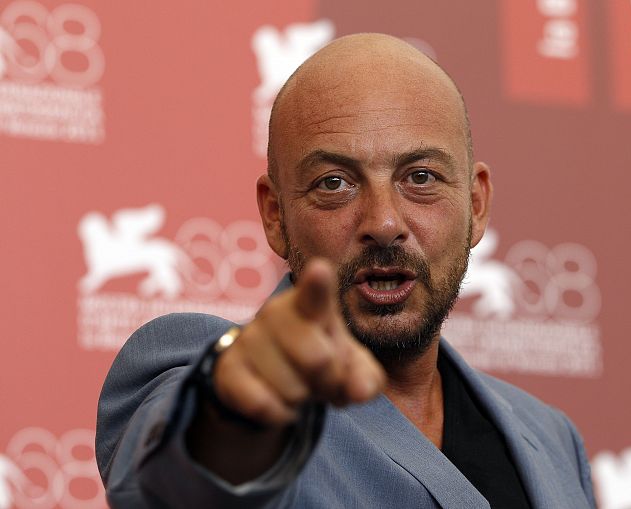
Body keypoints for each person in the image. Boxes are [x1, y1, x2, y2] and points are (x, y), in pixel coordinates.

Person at [96, 33, 596, 508]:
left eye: (420, 177)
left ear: (476, 203)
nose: (383, 222)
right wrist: (236, 419)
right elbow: (170, 482)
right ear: (275, 214)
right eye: (334, 183)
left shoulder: (552, 438)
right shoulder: (206, 372)